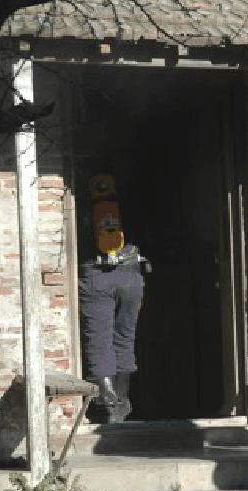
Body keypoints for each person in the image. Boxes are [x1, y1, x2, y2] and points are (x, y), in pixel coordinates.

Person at [79, 173, 147, 424]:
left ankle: (106, 398)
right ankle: (123, 399)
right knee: (125, 336)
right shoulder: (136, 196)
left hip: (96, 273)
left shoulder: (83, 197)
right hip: (130, 274)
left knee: (99, 336)